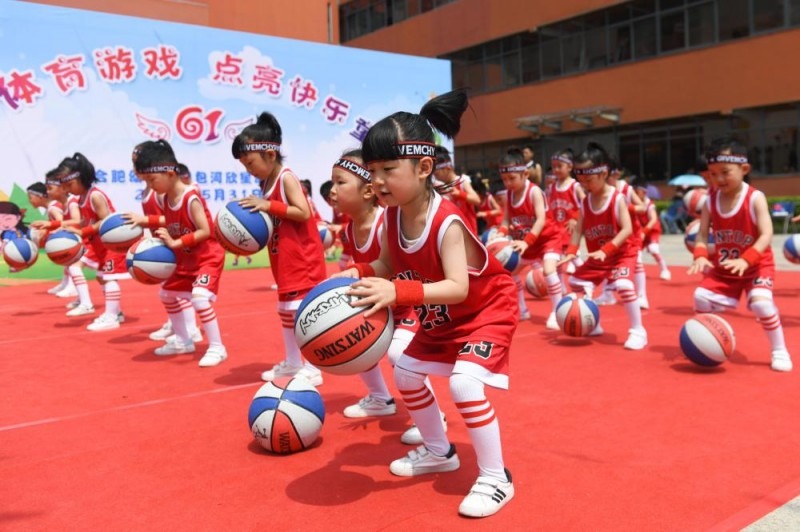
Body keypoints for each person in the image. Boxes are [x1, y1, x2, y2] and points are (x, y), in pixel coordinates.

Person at [340, 89, 517, 518]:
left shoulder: (447, 220)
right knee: (405, 371)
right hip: (443, 318)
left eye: (387, 170)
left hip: (486, 313)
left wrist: (397, 292)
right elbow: (385, 261)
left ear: (423, 168)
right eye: (371, 172)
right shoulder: (393, 214)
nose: (376, 181)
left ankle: (496, 478)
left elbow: (458, 287)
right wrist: (360, 273)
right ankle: (439, 451)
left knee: (464, 384)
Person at [329, 150, 441, 443]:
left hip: (411, 309)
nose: (331, 190)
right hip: (383, 307)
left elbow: (400, 270)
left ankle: (434, 417)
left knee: (399, 358)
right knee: (352, 340)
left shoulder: (385, 223)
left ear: (368, 191)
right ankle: (380, 397)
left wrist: (363, 274)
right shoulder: (351, 229)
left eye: (340, 182)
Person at [233, 112, 327, 384]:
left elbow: (302, 213)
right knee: (286, 312)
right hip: (282, 258)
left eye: (250, 163)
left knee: (302, 313)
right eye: (244, 165)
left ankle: (313, 367)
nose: (248, 169)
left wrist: (267, 205)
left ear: (270, 155)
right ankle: (293, 362)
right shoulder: (265, 183)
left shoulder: (287, 178)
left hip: (302, 259)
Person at [688, 138, 792, 372]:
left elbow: (767, 234)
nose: (718, 179)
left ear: (744, 169)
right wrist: (701, 255)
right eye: (712, 174)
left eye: (725, 172)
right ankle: (710, 337)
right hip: (726, 268)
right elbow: (702, 234)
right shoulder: (710, 201)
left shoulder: (755, 197)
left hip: (756, 265)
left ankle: (779, 349)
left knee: (761, 306)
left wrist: (746, 259)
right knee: (700, 297)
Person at [125, 140, 227, 366]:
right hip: (185, 259)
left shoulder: (191, 197)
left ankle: (217, 347)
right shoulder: (164, 198)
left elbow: (205, 230)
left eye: (153, 180)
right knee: (167, 295)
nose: (151, 186)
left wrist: (175, 241)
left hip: (207, 258)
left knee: (200, 299)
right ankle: (183, 340)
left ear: (170, 173)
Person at [559, 142, 648, 350]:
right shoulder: (584, 202)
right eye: (581, 181)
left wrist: (606, 249)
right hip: (599, 258)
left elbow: (627, 229)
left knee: (624, 285)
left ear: (603, 173)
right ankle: (594, 322)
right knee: (576, 282)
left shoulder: (617, 199)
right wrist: (572, 252)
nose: (585, 185)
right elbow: (579, 230)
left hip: (621, 253)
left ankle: (638, 331)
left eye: (588, 180)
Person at [45, 153, 130, 331]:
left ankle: (112, 316)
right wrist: (70, 230)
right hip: (100, 245)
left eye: (69, 185)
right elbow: (86, 222)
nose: (67, 189)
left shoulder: (95, 196)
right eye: (64, 186)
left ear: (81, 177)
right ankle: (116, 313)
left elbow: (107, 222)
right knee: (101, 277)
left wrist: (83, 231)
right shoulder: (81, 198)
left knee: (108, 277)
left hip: (111, 244)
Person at [135, 147, 203, 343]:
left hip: (175, 246)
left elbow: (173, 219)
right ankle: (176, 325)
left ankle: (190, 329)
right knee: (170, 291)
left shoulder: (162, 192)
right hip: (164, 244)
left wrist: (146, 221)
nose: (136, 168)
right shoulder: (153, 189)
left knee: (179, 291)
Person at [500, 148, 565, 329]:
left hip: (547, 239)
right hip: (527, 243)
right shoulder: (509, 195)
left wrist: (526, 241)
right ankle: (522, 308)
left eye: (512, 178)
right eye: (504, 179)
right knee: (511, 272)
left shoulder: (534, 192)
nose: (508, 183)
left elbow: (541, 219)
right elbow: (506, 218)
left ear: (525, 173)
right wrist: (501, 231)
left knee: (549, 270)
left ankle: (557, 311)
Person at [546, 148, 586, 286]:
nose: (556, 169)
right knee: (557, 261)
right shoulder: (551, 188)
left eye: (559, 166)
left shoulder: (575, 186)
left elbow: (586, 204)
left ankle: (586, 281)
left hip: (570, 230)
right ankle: (561, 289)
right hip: (556, 230)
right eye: (553, 166)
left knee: (574, 257)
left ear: (570, 167)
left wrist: (575, 218)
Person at [433, 146, 480, 235]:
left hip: (469, 232)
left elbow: (477, 200)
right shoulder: (440, 187)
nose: (435, 177)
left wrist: (459, 193)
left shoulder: (462, 181)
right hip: (453, 233)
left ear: (447, 168)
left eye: (437, 173)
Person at [635, 185, 671, 281]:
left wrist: (645, 231)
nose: (635, 194)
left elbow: (653, 219)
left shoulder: (649, 205)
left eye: (637, 192)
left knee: (653, 249)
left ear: (643, 192)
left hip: (652, 231)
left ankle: (665, 270)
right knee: (636, 252)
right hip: (640, 231)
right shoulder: (634, 204)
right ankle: (639, 272)